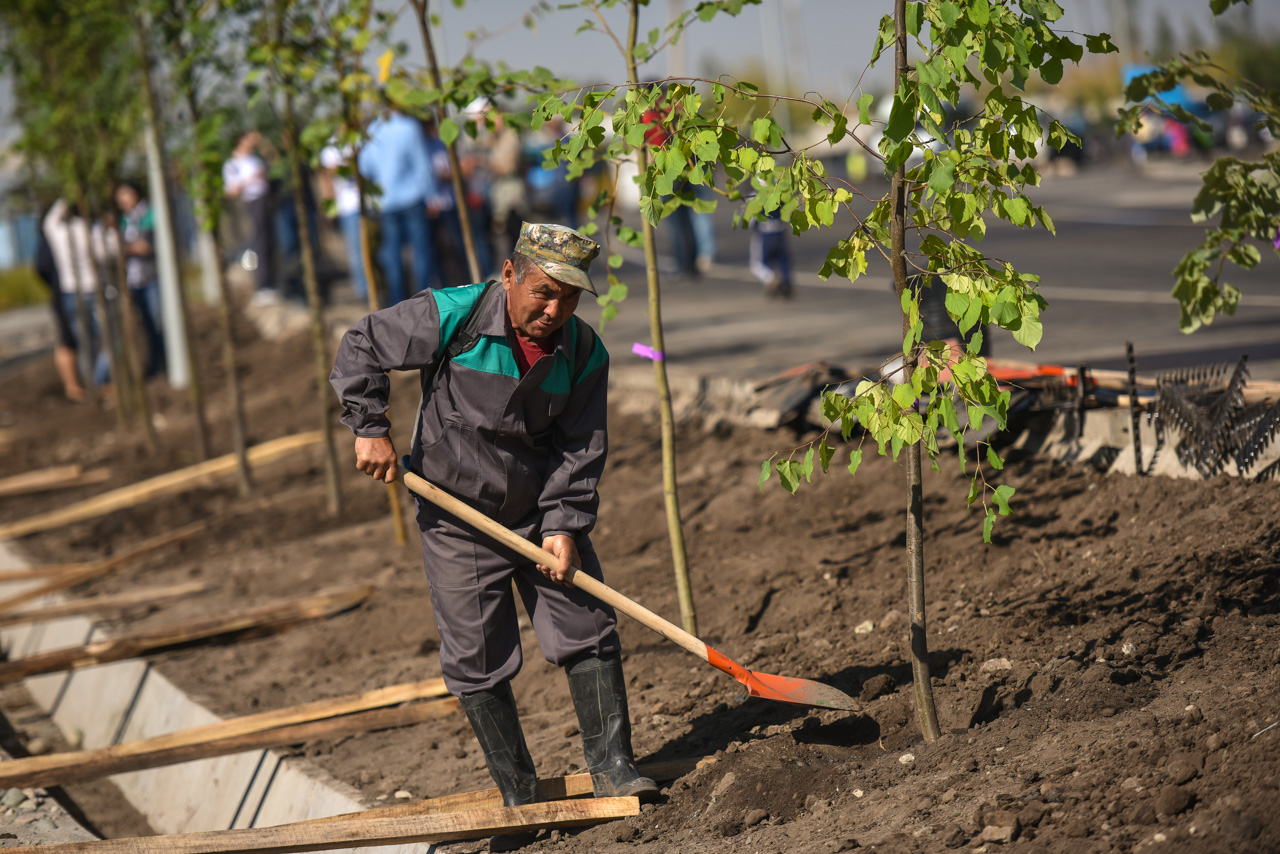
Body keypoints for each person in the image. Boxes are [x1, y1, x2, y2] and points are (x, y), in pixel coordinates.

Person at [330, 222, 657, 850]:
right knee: (476, 654)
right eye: (542, 292)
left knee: (586, 623)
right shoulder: (453, 315)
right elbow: (362, 343)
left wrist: (564, 524)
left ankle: (614, 768)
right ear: (509, 274)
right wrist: (369, 425)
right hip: (454, 513)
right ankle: (519, 795)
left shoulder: (584, 354)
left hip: (537, 513)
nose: (553, 311)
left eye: (569, 299)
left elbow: (580, 447)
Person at [358, 110, 438, 304]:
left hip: (386, 203)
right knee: (420, 252)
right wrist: (432, 195)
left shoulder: (373, 130)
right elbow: (422, 165)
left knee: (392, 254)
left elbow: (364, 167)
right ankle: (423, 301)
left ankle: (397, 302)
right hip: (413, 198)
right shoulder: (409, 127)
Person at [114, 182, 166, 377]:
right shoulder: (126, 220)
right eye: (119, 196)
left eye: (125, 194)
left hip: (151, 276)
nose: (122, 199)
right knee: (146, 325)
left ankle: (165, 363)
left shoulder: (149, 213)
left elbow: (145, 246)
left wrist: (120, 247)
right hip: (134, 280)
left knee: (158, 323)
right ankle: (154, 364)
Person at [223, 131, 277, 304]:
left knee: (267, 243)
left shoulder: (256, 160)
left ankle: (269, 283)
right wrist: (251, 180)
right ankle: (263, 285)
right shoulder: (233, 165)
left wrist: (263, 143)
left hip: (264, 202)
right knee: (258, 243)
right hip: (249, 203)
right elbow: (231, 191)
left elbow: (275, 160)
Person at [319, 143, 369, 302]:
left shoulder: (361, 138)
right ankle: (364, 292)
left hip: (370, 203)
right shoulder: (330, 149)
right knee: (356, 251)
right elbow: (326, 177)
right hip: (348, 206)